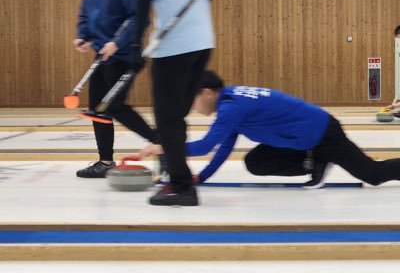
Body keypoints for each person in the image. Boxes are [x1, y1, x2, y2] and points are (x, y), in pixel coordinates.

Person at [141, 70, 400, 190]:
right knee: (256, 161)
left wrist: (162, 146)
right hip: (303, 137)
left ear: (207, 93)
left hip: (323, 133)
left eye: (194, 99)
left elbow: (206, 146)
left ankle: (320, 158)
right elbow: (224, 147)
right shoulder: (231, 103)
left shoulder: (231, 107)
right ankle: (316, 162)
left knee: (372, 174)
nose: (194, 106)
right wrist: (203, 177)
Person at [125, 0, 215, 206]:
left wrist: (135, 44)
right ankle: (178, 179)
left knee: (167, 118)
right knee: (175, 115)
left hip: (173, 44)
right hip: (203, 40)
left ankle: (181, 186)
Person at [74, 0, 158, 178]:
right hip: (100, 55)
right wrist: (83, 35)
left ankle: (161, 143)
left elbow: (139, 20)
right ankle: (105, 161)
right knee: (98, 109)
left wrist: (117, 43)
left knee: (114, 106)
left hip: (124, 56)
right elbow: (85, 15)